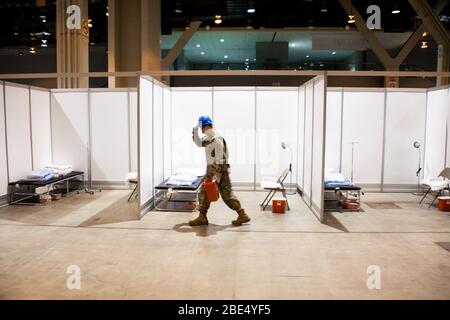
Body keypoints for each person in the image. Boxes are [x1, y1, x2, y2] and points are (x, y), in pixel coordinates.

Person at [189, 116, 251, 227]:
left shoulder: (215, 139)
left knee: (204, 192)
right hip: (220, 170)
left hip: (216, 170)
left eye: (201, 128)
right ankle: (242, 214)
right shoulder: (210, 137)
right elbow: (199, 143)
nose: (201, 130)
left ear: (205, 126)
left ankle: (202, 217)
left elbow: (221, 159)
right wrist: (195, 130)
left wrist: (215, 176)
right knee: (226, 195)